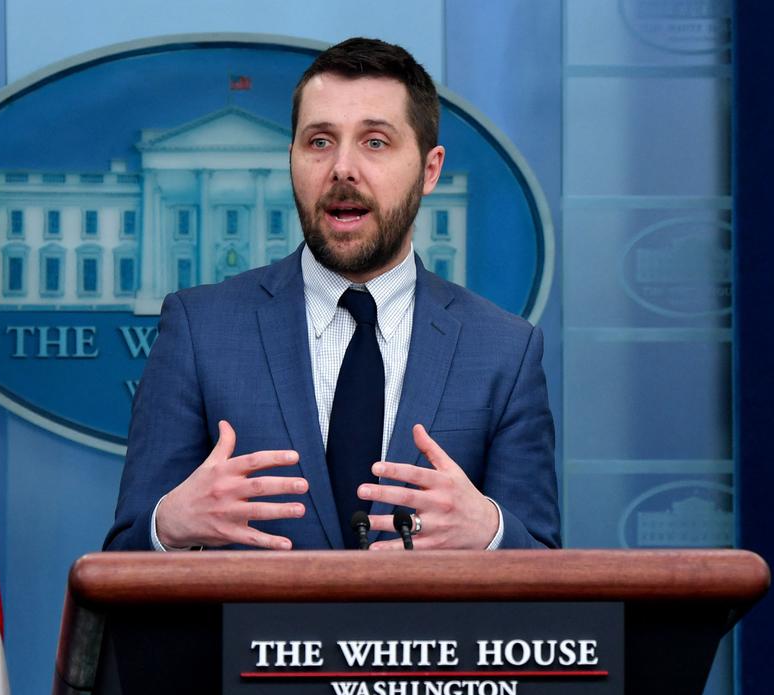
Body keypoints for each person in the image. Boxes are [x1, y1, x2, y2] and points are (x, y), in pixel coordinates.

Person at [104, 37, 560, 552]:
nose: (342, 168)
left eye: (375, 142)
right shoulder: (199, 329)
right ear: (293, 158)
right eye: (320, 141)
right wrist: (168, 526)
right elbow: (124, 558)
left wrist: (492, 534)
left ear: (429, 170)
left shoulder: (505, 351)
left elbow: (544, 568)